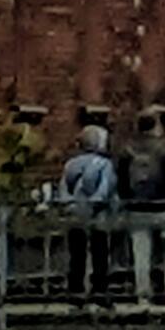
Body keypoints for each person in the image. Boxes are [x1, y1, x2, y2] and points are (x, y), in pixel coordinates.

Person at [118, 113, 165, 303]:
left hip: (137, 208)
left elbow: (122, 181)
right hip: (163, 207)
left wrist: (127, 200)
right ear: (156, 127)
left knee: (141, 253)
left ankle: (143, 295)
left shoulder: (128, 150)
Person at [59, 125, 118, 303]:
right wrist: (95, 206)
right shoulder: (104, 164)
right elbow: (105, 189)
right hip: (98, 217)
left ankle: (75, 289)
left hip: (75, 215)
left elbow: (64, 189)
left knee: (77, 254)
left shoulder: (71, 164)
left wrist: (71, 206)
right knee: (100, 253)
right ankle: (99, 290)